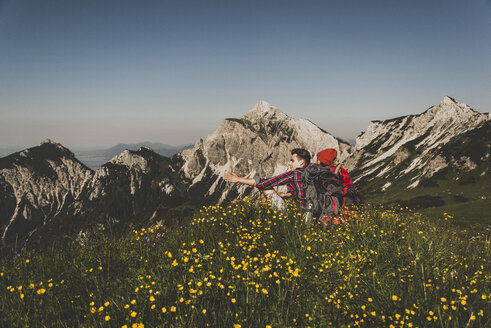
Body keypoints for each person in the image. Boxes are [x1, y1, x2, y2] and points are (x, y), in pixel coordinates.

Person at [224, 148, 311, 208]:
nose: (289, 163)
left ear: (301, 162)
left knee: (266, 190)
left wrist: (238, 179)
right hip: (313, 213)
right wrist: (285, 195)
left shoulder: (294, 174)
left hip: (299, 214)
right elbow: (304, 192)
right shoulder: (312, 172)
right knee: (273, 193)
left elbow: (264, 183)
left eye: (292, 161)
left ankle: (265, 221)